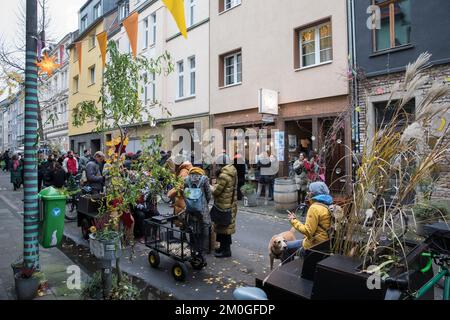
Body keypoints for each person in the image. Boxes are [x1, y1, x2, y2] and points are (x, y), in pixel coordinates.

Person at [283, 182, 333, 262]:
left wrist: (294, 221)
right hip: (324, 244)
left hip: (313, 245)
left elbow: (308, 231)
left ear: (313, 193)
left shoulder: (314, 208)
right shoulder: (328, 205)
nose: (307, 193)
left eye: (309, 191)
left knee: (284, 247)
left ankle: (287, 269)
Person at [184, 167, 212, 264]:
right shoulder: (204, 179)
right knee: (204, 232)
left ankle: (193, 252)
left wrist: (191, 204)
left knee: (193, 230)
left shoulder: (186, 180)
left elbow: (186, 195)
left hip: (191, 211)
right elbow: (209, 195)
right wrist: (203, 203)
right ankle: (201, 254)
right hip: (202, 211)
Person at [211, 162, 238, 258]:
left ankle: (226, 251)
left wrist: (211, 187)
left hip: (223, 206)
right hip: (230, 204)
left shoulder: (223, 176)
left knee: (223, 229)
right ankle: (223, 248)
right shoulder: (232, 172)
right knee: (226, 228)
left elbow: (216, 192)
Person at [168, 161, 193, 227]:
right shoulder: (186, 169)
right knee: (185, 216)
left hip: (182, 197)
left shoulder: (183, 171)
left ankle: (183, 231)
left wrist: (171, 193)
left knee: (182, 217)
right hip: (187, 195)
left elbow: (181, 186)